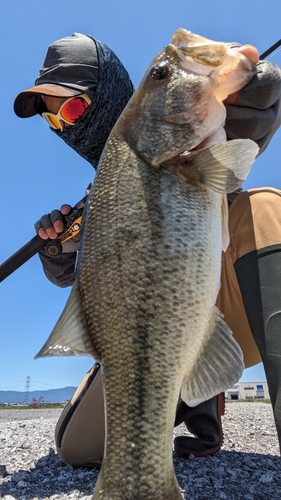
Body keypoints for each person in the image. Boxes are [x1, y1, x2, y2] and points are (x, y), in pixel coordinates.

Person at [13, 32, 281, 466]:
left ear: (112, 91)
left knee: (267, 209)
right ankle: (184, 394)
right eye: (54, 121)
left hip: (225, 316)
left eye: (74, 107)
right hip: (144, 337)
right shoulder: (95, 196)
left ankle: (203, 395)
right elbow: (81, 285)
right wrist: (58, 253)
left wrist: (238, 113)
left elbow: (233, 153)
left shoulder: (183, 129)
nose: (68, 126)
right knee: (78, 448)